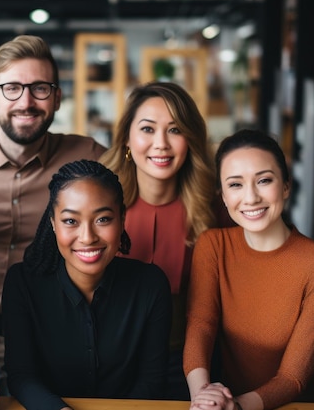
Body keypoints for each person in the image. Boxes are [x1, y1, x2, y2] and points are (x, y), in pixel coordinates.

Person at [0, 34, 106, 391]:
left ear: (57, 97)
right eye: (12, 88)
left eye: (40, 89)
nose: (26, 101)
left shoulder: (89, 156)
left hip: (57, 337)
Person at [183, 129, 314, 410]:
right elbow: (201, 325)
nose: (251, 197)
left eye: (264, 180)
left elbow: (294, 377)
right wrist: (203, 397)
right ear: (222, 195)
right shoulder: (212, 245)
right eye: (235, 185)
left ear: (285, 186)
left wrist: (236, 407)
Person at [2, 160, 172, 410]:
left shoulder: (151, 285)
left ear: (122, 218)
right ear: (53, 223)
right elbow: (22, 376)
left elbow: (152, 380)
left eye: (102, 219)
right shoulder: (22, 283)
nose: (88, 237)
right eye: (71, 221)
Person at [99, 81, 232, 399]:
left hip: (190, 364)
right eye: (147, 129)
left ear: (190, 140)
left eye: (175, 130)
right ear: (128, 138)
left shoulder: (216, 208)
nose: (161, 144)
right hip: (108, 361)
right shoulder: (96, 198)